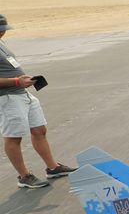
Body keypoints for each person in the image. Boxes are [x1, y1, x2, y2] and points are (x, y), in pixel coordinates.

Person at [0, 14, 75, 189]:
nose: (3, 33)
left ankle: (52, 167)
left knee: (39, 129)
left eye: (4, 30)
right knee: (13, 137)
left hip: (22, 93)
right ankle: (24, 176)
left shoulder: (2, 44)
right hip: (8, 97)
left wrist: (22, 80)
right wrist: (17, 81)